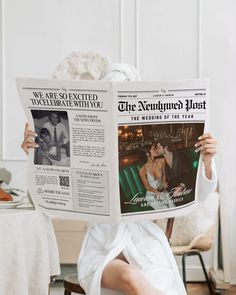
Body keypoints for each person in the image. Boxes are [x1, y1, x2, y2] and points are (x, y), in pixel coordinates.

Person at [21, 63, 217, 295]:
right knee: (131, 278)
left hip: (146, 242)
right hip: (101, 246)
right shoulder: (137, 168)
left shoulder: (162, 162)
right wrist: (34, 154)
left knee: (147, 278)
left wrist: (206, 161)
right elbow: (45, 201)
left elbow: (200, 195)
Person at [139, 144, 175, 210]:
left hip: (162, 190)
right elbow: (146, 186)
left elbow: (164, 175)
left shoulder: (162, 161)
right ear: (147, 154)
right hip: (152, 193)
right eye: (153, 149)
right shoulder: (143, 170)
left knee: (173, 207)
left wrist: (164, 181)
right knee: (165, 208)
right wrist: (155, 192)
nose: (156, 150)